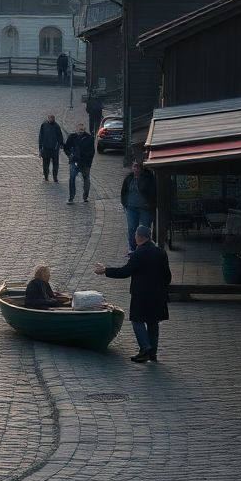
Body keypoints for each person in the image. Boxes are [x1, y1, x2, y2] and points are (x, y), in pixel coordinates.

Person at [95, 225, 171, 362]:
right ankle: (153, 353)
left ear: (140, 237)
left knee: (137, 321)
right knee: (153, 323)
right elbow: (167, 276)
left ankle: (145, 348)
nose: (134, 237)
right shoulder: (161, 252)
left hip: (141, 295)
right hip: (158, 295)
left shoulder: (138, 254)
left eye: (136, 234)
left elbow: (125, 272)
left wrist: (105, 270)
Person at [120, 159, 157, 254]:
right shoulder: (129, 178)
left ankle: (145, 249)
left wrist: (149, 204)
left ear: (141, 168)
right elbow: (124, 191)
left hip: (144, 208)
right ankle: (132, 249)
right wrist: (125, 203)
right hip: (131, 207)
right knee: (132, 228)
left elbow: (152, 192)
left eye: (138, 166)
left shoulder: (147, 178)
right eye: (134, 166)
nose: (136, 169)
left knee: (145, 228)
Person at [64, 122, 95, 204]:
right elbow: (66, 147)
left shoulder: (89, 138)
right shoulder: (72, 137)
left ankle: (85, 197)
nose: (81, 131)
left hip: (85, 163)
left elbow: (92, 152)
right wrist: (70, 155)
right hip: (74, 162)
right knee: (72, 179)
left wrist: (89, 164)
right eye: (80, 129)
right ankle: (71, 197)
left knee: (86, 179)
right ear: (76, 129)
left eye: (83, 130)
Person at [38, 113, 64, 183]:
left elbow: (60, 136)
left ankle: (55, 177)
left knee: (55, 164)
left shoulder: (57, 126)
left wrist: (61, 144)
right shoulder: (44, 125)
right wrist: (40, 148)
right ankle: (46, 176)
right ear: (48, 118)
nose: (51, 119)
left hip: (54, 149)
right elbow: (41, 136)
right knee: (45, 164)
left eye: (52, 118)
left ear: (54, 119)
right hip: (46, 149)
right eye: (50, 118)